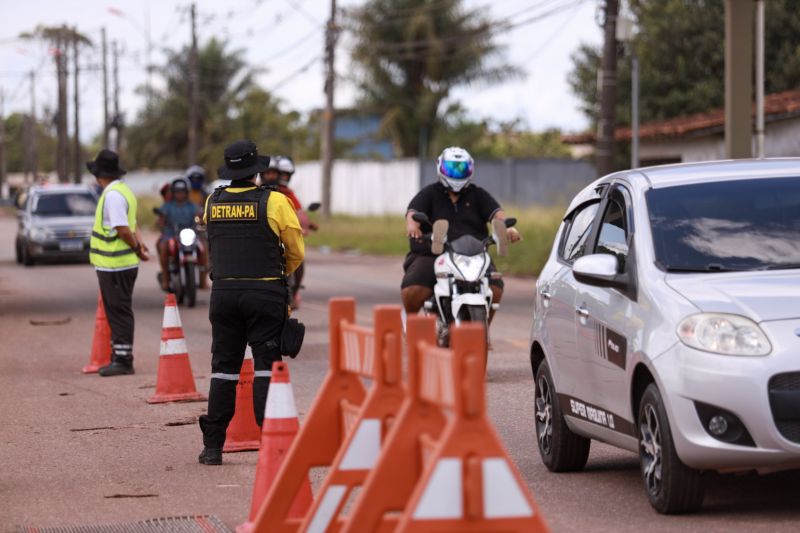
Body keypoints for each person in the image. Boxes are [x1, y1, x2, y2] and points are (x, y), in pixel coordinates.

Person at [198, 140, 305, 466]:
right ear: (256, 169)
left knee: (224, 371)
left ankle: (213, 447)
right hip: (264, 296)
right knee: (265, 369)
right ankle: (270, 442)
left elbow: (212, 241)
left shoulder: (212, 202)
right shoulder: (274, 202)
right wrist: (277, 273)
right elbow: (296, 252)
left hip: (224, 296)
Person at [401, 146, 520, 320]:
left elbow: (497, 214)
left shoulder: (478, 194)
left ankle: (484, 330)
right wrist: (413, 227)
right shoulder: (429, 193)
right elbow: (413, 213)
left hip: (474, 255)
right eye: (451, 169)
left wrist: (507, 228)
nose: (456, 174)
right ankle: (410, 322)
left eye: (462, 169)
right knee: (414, 288)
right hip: (434, 252)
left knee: (494, 288)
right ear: (440, 168)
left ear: (470, 170)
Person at [86, 149, 150, 376]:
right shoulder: (123, 191)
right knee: (118, 309)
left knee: (119, 310)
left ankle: (123, 359)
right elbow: (133, 225)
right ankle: (119, 355)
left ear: (98, 176)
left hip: (116, 264)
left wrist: (136, 247)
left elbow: (123, 228)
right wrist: (140, 247)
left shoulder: (112, 195)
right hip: (118, 263)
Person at [260, 155, 317, 308]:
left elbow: (299, 212)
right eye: (268, 173)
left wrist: (304, 226)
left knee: (298, 258)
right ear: (261, 174)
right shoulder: (255, 191)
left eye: (274, 173)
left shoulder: (286, 193)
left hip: (283, 235)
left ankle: (294, 290)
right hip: (262, 237)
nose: (271, 176)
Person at [156, 178, 206, 292]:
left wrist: (201, 222)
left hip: (189, 235)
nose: (180, 194)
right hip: (171, 235)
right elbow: (161, 220)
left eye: (182, 192)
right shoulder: (167, 206)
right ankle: (165, 278)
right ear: (173, 193)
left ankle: (203, 280)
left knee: (203, 247)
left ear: (186, 192)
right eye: (177, 192)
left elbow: (200, 217)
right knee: (164, 247)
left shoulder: (192, 206)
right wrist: (161, 223)